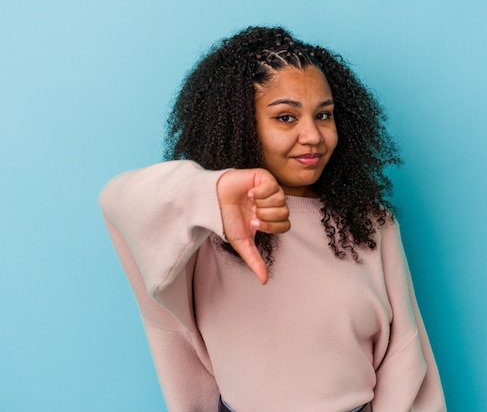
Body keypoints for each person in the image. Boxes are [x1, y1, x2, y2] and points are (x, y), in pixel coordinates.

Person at [99, 26, 446, 412]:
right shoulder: (204, 228)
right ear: (241, 123)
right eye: (285, 117)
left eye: (324, 115)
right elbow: (117, 199)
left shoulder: (371, 224)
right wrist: (212, 193)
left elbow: (405, 358)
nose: (312, 135)